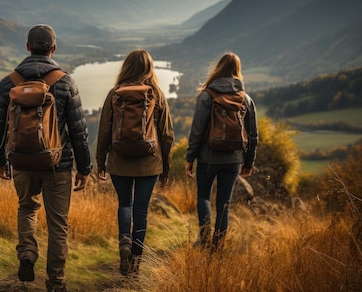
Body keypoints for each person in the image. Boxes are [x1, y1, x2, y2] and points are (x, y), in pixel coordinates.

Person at [0, 24, 92, 292]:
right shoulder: (66, 82)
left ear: (27, 47)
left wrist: (0, 161)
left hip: (21, 161)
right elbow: (79, 131)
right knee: (58, 223)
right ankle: (56, 282)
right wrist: (84, 168)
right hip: (59, 164)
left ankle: (27, 254)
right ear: (53, 49)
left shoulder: (8, 83)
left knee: (27, 208)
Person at [96, 49, 174, 275]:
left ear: (126, 67)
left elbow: (104, 132)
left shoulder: (115, 93)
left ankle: (124, 243)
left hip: (119, 161)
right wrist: (166, 168)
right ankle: (135, 261)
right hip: (149, 163)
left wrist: (101, 163)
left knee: (124, 204)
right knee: (141, 210)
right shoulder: (156, 94)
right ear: (149, 68)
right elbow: (167, 134)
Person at [184, 52, 258, 252]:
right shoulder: (246, 99)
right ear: (237, 71)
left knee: (204, 197)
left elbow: (197, 130)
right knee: (225, 202)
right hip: (234, 159)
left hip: (208, 158)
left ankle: (204, 238)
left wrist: (190, 157)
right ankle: (218, 246)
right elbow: (252, 135)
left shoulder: (207, 96)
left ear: (218, 69)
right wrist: (248, 162)